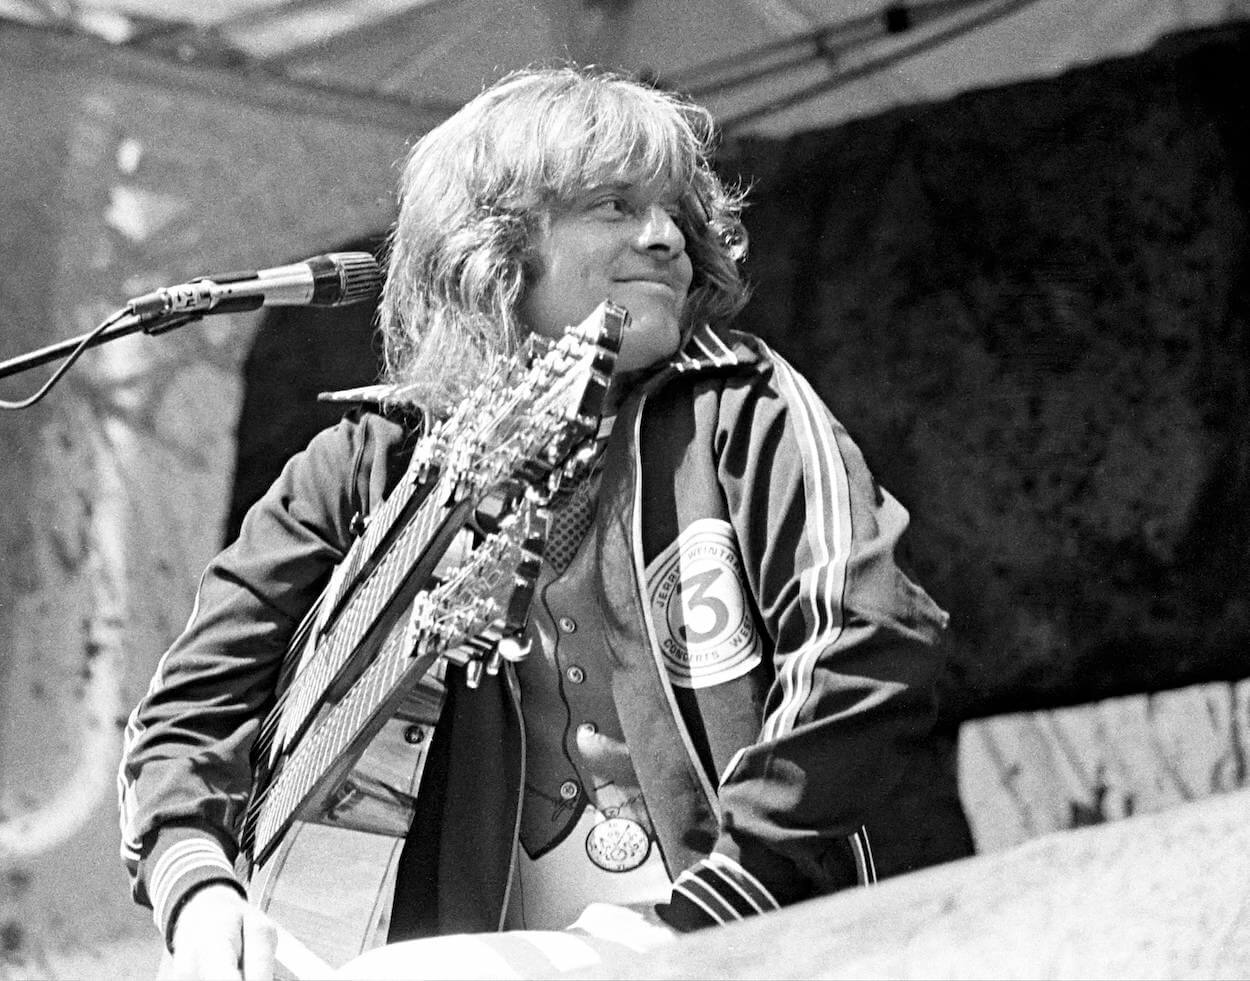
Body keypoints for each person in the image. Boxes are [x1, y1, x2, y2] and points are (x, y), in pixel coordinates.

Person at [118, 65, 956, 979]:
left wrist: (733, 894)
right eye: (612, 204)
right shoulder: (373, 465)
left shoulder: (741, 407)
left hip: (740, 937)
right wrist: (199, 892)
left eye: (675, 212)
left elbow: (868, 631)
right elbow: (190, 710)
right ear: (496, 248)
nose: (665, 236)